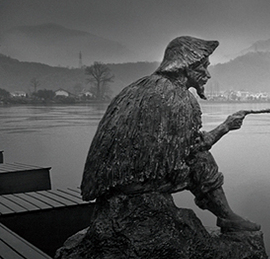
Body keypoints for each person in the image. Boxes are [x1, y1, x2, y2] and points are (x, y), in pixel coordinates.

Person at [80, 35, 260, 232]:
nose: (207, 75)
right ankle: (228, 217)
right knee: (201, 161)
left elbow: (174, 145)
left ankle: (227, 216)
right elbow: (190, 151)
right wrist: (225, 127)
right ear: (186, 66)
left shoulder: (143, 86)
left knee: (196, 159)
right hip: (133, 185)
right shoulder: (178, 98)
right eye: (203, 67)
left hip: (113, 183)